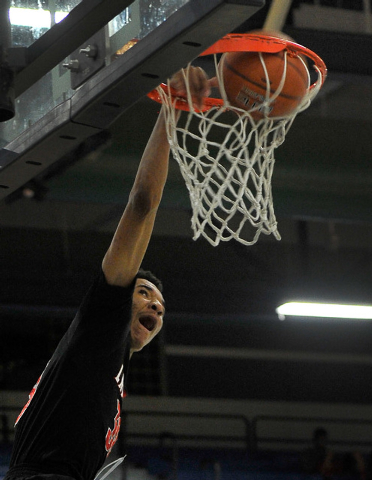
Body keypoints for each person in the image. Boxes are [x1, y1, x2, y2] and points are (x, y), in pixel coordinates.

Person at [4, 66, 213, 480]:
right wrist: (172, 111)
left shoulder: (110, 366)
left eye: (161, 306)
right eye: (145, 293)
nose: (156, 304)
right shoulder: (102, 323)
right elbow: (142, 203)